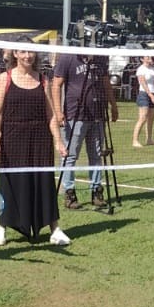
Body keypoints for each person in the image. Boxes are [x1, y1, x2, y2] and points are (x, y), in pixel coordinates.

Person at [0, 41, 69, 247]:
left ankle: (55, 229)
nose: (28, 55)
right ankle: (2, 227)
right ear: (15, 54)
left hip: (40, 139)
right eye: (23, 51)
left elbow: (51, 115)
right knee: (10, 182)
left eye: (31, 51)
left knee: (44, 181)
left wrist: (58, 141)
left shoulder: (43, 80)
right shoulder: (4, 79)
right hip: (12, 138)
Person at [52, 48, 118, 210]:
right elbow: (56, 85)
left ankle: (96, 191)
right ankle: (69, 192)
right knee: (70, 155)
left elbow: (105, 82)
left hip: (98, 115)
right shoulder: (68, 57)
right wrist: (59, 111)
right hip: (75, 115)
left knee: (96, 155)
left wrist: (113, 105)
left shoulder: (101, 57)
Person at [132, 55, 154, 147]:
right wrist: (151, 95)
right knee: (143, 118)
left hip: (153, 94)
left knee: (151, 119)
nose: (149, 57)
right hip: (144, 94)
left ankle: (149, 139)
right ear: (142, 59)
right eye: (147, 57)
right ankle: (135, 141)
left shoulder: (152, 69)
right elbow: (143, 83)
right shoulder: (141, 69)